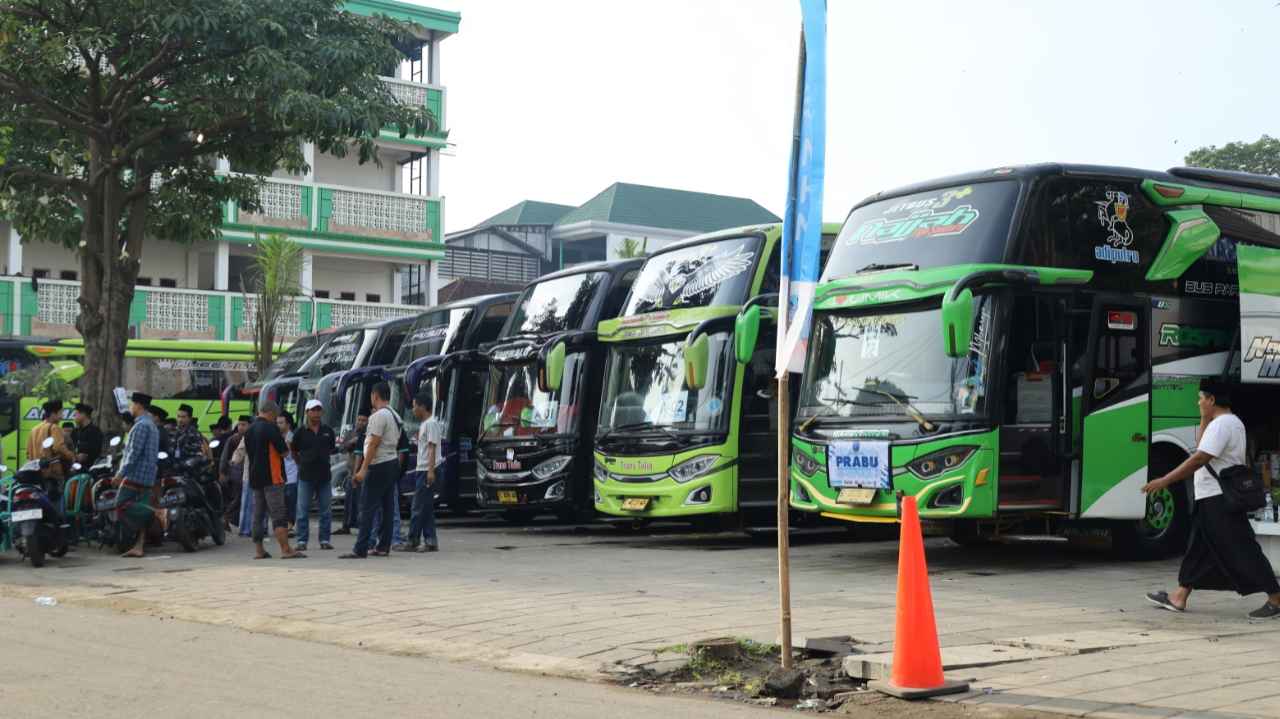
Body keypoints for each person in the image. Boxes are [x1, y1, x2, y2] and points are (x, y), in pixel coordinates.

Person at [1144, 379, 1280, 619]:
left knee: (1242, 548)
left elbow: (1198, 459)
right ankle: (1179, 596)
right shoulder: (1230, 422)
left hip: (1219, 499)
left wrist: (1164, 480)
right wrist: (1205, 419)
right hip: (1211, 498)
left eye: (1200, 398)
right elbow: (1200, 447)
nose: (1198, 402)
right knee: (1199, 548)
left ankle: (1276, 598)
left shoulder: (1222, 426)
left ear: (1212, 400)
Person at [341, 382, 402, 559]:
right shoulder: (394, 415)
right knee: (387, 507)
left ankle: (360, 548)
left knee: (367, 507)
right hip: (391, 462)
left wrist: (362, 469)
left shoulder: (378, 416)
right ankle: (383, 546)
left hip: (378, 464)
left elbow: (374, 443)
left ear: (375, 396)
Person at [245, 401, 304, 560]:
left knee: (258, 514)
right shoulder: (271, 428)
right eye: (276, 416)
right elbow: (284, 453)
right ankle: (286, 549)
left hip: (255, 478)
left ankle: (259, 551)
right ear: (271, 413)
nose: (276, 419)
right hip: (273, 477)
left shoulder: (249, 429)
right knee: (278, 514)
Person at [113, 392, 160, 558]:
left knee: (121, 504)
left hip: (135, 475)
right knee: (141, 514)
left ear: (138, 405)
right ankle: (138, 546)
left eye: (132, 404)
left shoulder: (140, 426)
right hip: (147, 476)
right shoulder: (152, 425)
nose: (130, 408)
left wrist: (120, 474)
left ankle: (158, 513)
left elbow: (133, 454)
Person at [292, 398, 336, 551]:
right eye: (313, 410)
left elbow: (331, 449)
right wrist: (301, 463)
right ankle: (302, 541)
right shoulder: (300, 432)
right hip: (306, 475)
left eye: (319, 410)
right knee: (303, 510)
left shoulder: (328, 431)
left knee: (325, 511)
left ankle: (324, 540)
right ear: (307, 412)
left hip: (324, 476)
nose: (316, 413)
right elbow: (293, 451)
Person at [405, 390, 441, 552]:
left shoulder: (431, 423)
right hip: (423, 469)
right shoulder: (425, 424)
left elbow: (432, 448)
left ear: (423, 407)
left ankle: (412, 540)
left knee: (417, 506)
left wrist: (431, 471)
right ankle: (430, 540)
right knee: (425, 507)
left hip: (427, 469)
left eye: (414, 407)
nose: (413, 410)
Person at [334, 412, 368, 535]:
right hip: (351, 472)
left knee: (361, 501)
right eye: (359, 420)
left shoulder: (369, 435)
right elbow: (341, 448)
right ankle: (346, 526)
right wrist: (352, 442)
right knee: (349, 500)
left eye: (364, 420)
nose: (360, 422)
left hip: (363, 472)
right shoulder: (351, 433)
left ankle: (361, 526)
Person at [28, 399, 74, 485]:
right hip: (51, 472)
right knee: (57, 496)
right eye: (61, 413)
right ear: (53, 414)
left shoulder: (34, 430)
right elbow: (59, 447)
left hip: (36, 472)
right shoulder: (54, 428)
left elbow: (28, 452)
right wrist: (72, 456)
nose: (62, 416)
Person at [221, 415, 252, 526]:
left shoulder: (252, 437)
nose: (241, 427)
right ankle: (226, 517)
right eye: (239, 424)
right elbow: (225, 457)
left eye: (244, 425)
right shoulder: (233, 439)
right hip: (235, 475)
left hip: (247, 474)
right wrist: (223, 472)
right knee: (237, 498)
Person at [277, 412, 299, 529]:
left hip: (291, 475)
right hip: (280, 476)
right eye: (277, 423)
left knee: (290, 501)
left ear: (288, 425)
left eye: (281, 423)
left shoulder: (292, 438)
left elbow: (290, 456)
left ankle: (290, 524)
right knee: (282, 502)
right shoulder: (278, 437)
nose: (278, 425)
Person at [71, 402, 104, 468]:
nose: (74, 417)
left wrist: (87, 456)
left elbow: (97, 450)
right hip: (75, 466)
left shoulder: (95, 431)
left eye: (75, 414)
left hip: (90, 467)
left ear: (83, 414)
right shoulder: (75, 431)